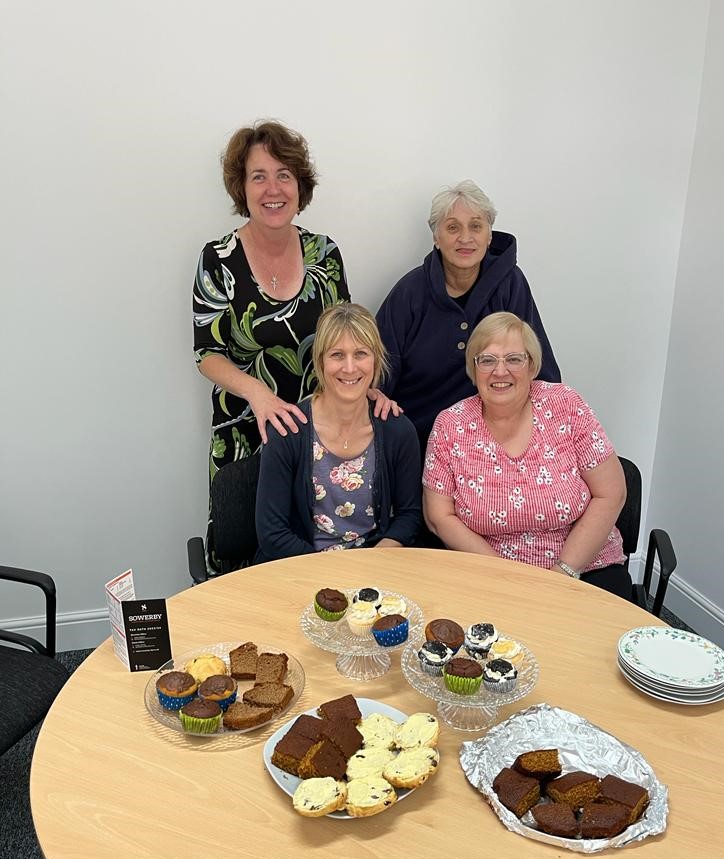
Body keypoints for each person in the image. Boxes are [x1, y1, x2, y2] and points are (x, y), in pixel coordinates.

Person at [192, 121, 393, 572]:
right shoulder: (217, 258)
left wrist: (364, 386)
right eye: (258, 176)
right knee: (250, 560)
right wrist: (260, 395)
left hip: (321, 431)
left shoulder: (325, 254)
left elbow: (345, 338)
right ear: (241, 188)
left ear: (300, 186)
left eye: (284, 174)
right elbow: (207, 353)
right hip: (246, 432)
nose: (272, 188)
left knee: (317, 554)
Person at [422, 313, 630, 599]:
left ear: (532, 365)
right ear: (473, 368)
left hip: (584, 569)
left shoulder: (565, 405)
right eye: (487, 360)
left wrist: (563, 572)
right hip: (487, 572)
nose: (500, 371)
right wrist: (506, 578)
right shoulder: (450, 425)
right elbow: (439, 516)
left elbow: (611, 493)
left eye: (514, 359)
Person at [377, 179, 561, 453]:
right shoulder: (409, 294)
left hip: (497, 440)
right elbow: (376, 377)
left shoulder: (510, 285)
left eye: (476, 226)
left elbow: (541, 371)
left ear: (489, 235)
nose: (465, 238)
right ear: (436, 238)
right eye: (452, 228)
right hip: (420, 442)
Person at [255, 304, 422, 562]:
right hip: (300, 570)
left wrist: (371, 564)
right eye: (337, 355)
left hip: (373, 571)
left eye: (361, 354)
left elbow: (409, 516)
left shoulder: (398, 431)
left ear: (376, 359)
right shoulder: (287, 432)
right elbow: (272, 534)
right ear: (320, 361)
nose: (350, 367)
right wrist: (333, 575)